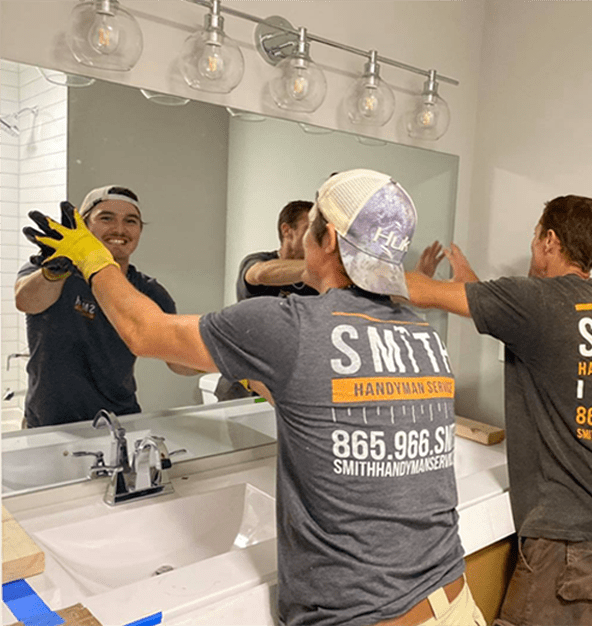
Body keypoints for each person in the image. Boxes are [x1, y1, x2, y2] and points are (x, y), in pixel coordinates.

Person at [24, 169, 486, 626]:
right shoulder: (419, 335)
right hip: (455, 601)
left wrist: (91, 257)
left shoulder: (289, 324)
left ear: (325, 242)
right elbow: (310, 395)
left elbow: (146, 333)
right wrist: (251, 376)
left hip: (361, 617)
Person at [407, 195, 592, 626]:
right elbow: (526, 327)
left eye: (536, 234)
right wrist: (472, 287)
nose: (534, 242)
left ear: (550, 240)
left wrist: (351, 262)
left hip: (575, 540)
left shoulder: (537, 301)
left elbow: (421, 293)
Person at [15, 185, 197, 428]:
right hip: (48, 426)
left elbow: (179, 361)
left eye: (130, 221)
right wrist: (53, 271)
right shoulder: (52, 269)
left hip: (117, 425)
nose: (119, 229)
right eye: (106, 218)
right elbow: (26, 301)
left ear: (140, 230)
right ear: (84, 225)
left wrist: (232, 359)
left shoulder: (149, 291)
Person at [236, 199, 318, 301]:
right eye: (310, 228)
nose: (317, 236)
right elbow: (259, 274)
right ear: (286, 230)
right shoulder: (257, 260)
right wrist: (319, 266)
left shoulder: (316, 280)